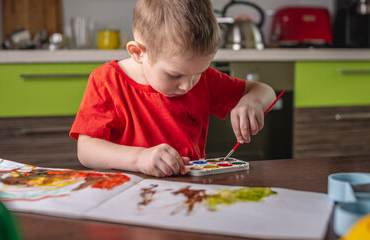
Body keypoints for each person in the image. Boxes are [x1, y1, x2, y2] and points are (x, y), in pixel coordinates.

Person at [69, 0, 276, 178]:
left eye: (200, 71)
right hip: (128, 198)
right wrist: (139, 159)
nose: (188, 85)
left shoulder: (201, 79)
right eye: (174, 75)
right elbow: (86, 150)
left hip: (190, 195)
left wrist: (252, 100)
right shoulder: (107, 81)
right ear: (138, 53)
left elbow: (264, 90)